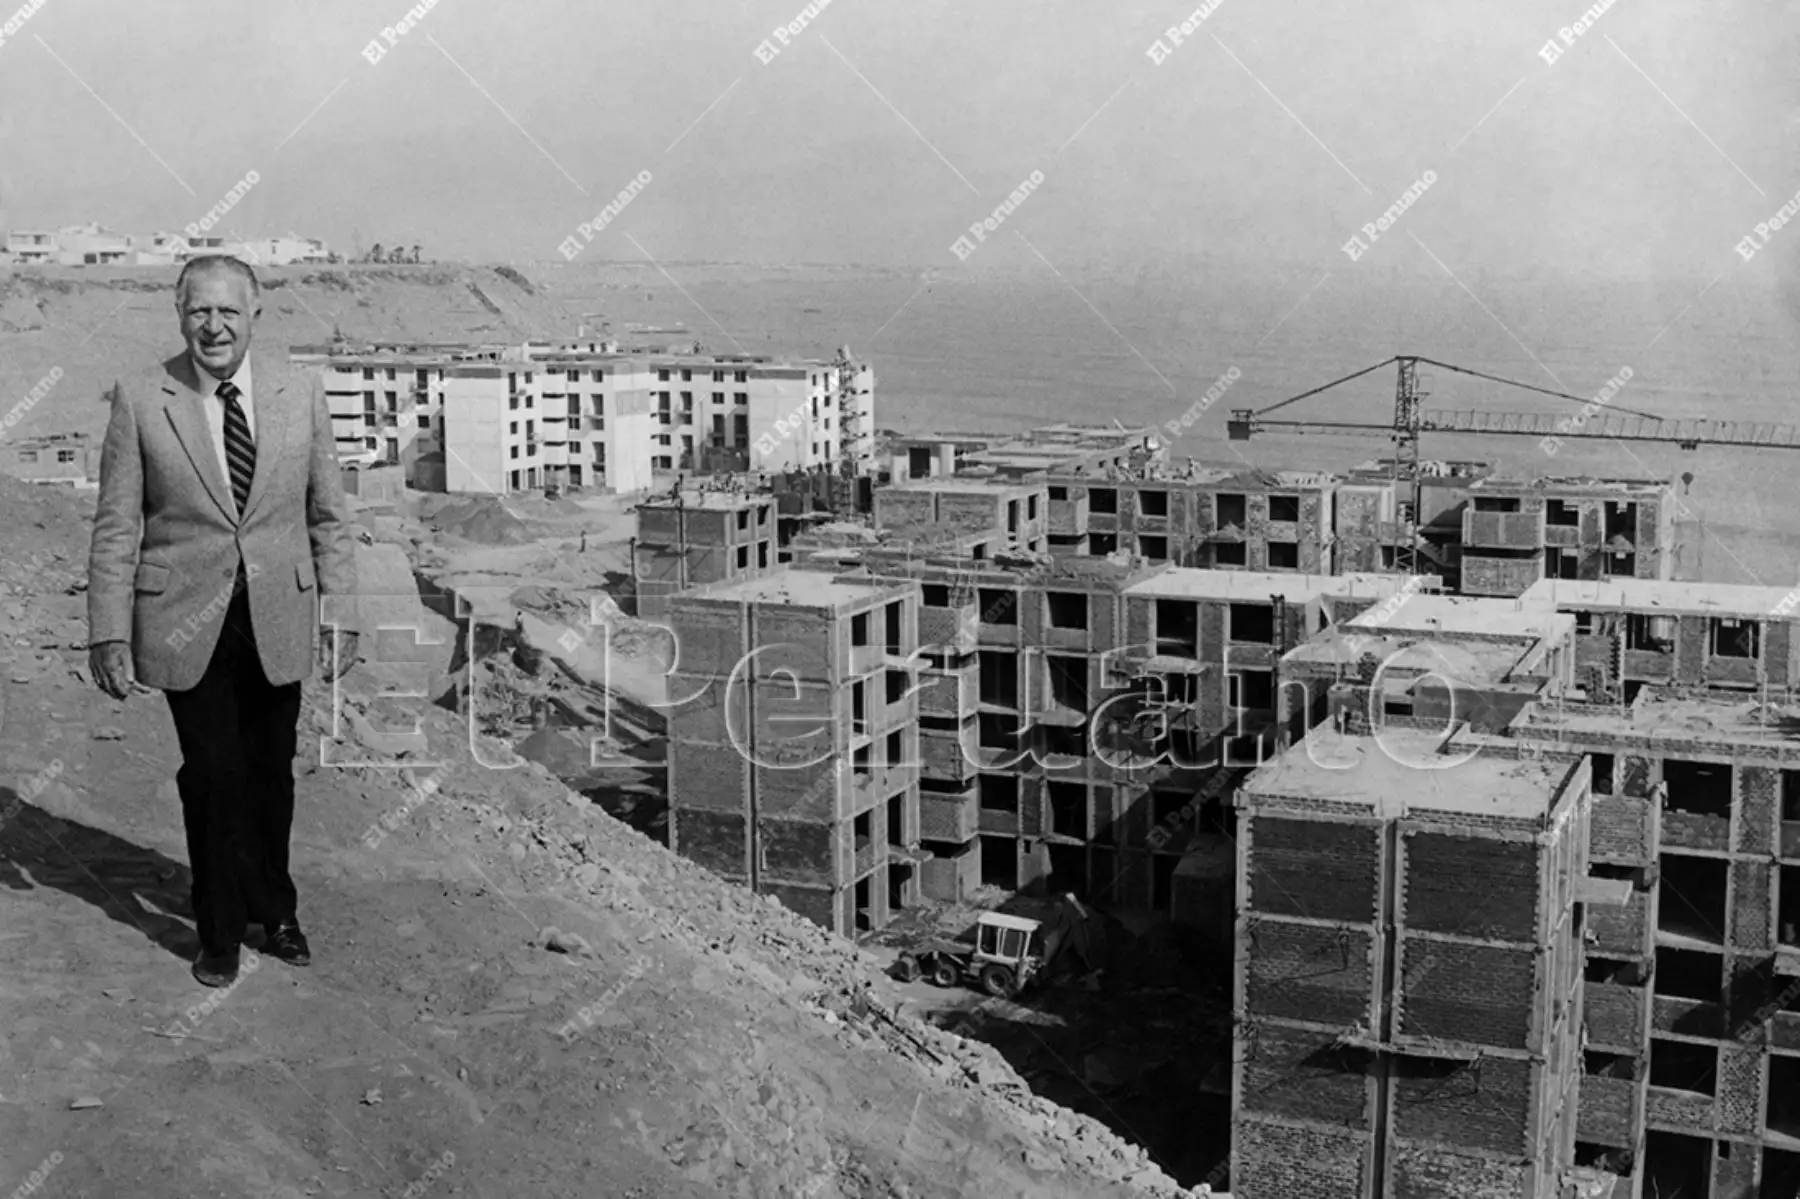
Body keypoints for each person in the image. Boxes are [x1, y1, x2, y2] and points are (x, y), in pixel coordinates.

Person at [87, 255, 360, 988]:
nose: (214, 326)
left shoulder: (298, 392)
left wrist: (344, 609)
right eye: (200, 311)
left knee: (270, 773)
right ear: (181, 316)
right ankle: (217, 929)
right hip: (182, 617)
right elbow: (117, 526)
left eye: (228, 312)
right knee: (212, 773)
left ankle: (275, 907)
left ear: (254, 317)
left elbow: (328, 512)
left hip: (279, 613)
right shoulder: (144, 397)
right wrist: (108, 629)